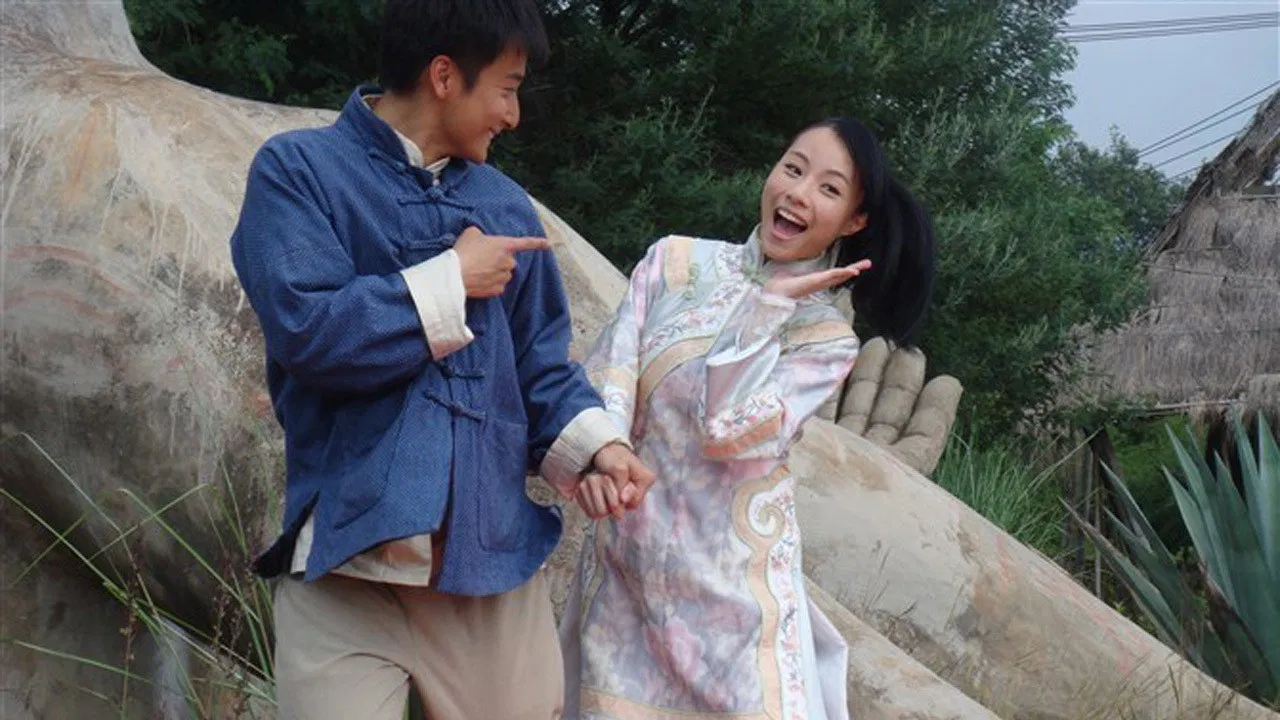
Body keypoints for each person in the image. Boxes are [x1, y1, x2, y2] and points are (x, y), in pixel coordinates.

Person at [228, 1, 653, 718]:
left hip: (490, 575)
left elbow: (541, 370)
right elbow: (310, 333)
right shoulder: (298, 172)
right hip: (345, 574)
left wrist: (598, 450)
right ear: (445, 75)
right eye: (508, 88)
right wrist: (450, 280)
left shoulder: (507, 207)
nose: (513, 115)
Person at [555, 117, 937, 719]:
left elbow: (731, 433)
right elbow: (611, 374)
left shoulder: (825, 340)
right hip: (628, 576)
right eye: (793, 168)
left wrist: (764, 313)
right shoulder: (675, 262)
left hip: (734, 604)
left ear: (855, 221)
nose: (798, 193)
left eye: (830, 189)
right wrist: (601, 459)